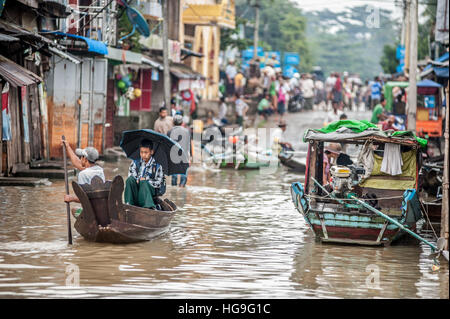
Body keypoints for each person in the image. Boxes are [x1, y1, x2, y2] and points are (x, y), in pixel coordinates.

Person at [61, 142, 105, 216]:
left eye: (81, 157)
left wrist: (71, 198)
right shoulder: (100, 170)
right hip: (101, 209)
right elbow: (77, 162)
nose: (79, 158)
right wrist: (68, 147)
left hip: (91, 213)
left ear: (85, 159)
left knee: (74, 210)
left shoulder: (83, 174)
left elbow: (84, 199)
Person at [124, 139, 164, 209]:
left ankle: (148, 206)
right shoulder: (135, 163)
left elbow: (158, 183)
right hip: (137, 192)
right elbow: (131, 175)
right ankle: (129, 204)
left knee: (144, 182)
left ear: (151, 152)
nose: (143, 155)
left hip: (149, 195)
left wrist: (146, 180)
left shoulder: (157, 166)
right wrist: (137, 179)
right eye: (141, 152)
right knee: (129, 180)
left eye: (146, 152)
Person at [168, 115, 192, 187]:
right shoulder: (187, 131)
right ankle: (182, 187)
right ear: (182, 122)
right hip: (184, 155)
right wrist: (189, 157)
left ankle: (174, 190)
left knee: (174, 175)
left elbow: (168, 145)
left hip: (173, 156)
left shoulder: (170, 131)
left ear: (173, 122)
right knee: (183, 174)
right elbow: (188, 145)